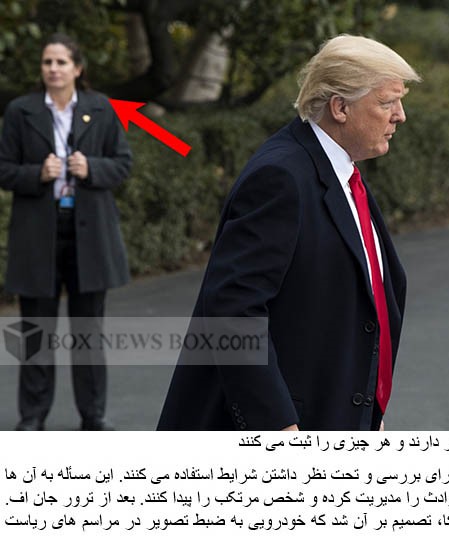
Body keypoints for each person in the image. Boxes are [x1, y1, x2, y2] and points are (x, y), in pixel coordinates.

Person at [157, 35, 420, 431]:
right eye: (387, 102)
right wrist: (277, 424)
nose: (400, 115)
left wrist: (367, 414)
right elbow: (234, 309)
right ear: (340, 107)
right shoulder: (281, 176)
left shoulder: (340, 172)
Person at [0, 33, 132, 429]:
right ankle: (32, 417)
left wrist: (92, 168)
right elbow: (4, 169)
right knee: (35, 330)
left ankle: (93, 417)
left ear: (77, 68)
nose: (53, 69)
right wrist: (36, 174)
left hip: (89, 234)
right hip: (37, 233)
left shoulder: (101, 108)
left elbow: (122, 163)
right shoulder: (20, 111)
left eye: (61, 62)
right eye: (47, 62)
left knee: (88, 331)